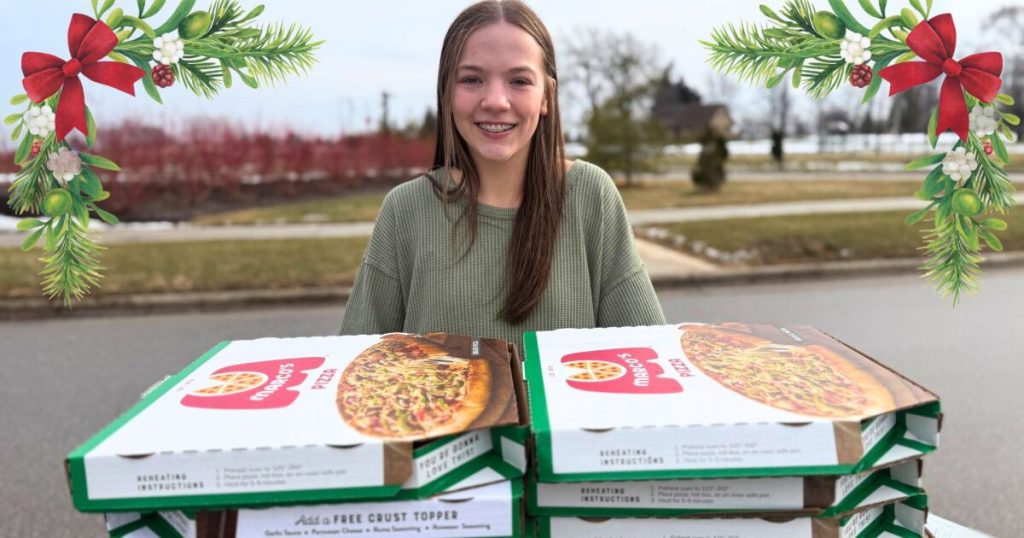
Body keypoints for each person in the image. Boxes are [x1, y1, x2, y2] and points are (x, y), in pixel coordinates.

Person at [340, 0, 665, 345]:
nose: (496, 100)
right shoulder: (405, 211)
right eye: (472, 79)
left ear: (547, 97)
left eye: (519, 81)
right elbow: (353, 367)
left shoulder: (591, 197)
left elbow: (650, 358)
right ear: (446, 92)